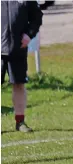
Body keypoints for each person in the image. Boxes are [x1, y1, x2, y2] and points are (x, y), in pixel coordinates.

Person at [1, 1, 43, 132]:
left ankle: (20, 122)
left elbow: (37, 16)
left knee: (19, 84)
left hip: (17, 49)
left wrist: (29, 34)